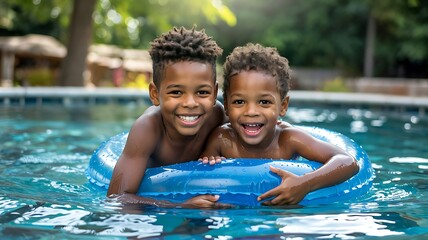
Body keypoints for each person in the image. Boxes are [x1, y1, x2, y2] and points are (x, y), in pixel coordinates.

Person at [200, 43, 359, 205]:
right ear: (226, 105)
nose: (251, 111)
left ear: (283, 106)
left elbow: (348, 162)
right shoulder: (221, 139)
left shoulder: (289, 140)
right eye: (239, 101)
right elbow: (199, 178)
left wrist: (304, 184)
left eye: (264, 102)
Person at [107, 26, 229, 208]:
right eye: (177, 92)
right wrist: (178, 206)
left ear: (215, 92)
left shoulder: (217, 115)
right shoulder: (147, 129)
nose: (190, 103)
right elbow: (117, 198)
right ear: (155, 94)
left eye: (202, 92)